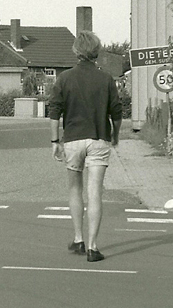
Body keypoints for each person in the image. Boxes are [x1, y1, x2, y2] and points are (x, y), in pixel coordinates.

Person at [48, 30, 122, 262]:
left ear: (76, 51)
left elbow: (54, 112)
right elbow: (117, 114)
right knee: (95, 193)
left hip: (72, 140)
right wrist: (116, 135)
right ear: (97, 52)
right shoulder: (106, 79)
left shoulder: (65, 78)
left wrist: (54, 141)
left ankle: (78, 239)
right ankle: (92, 247)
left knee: (74, 189)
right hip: (99, 138)